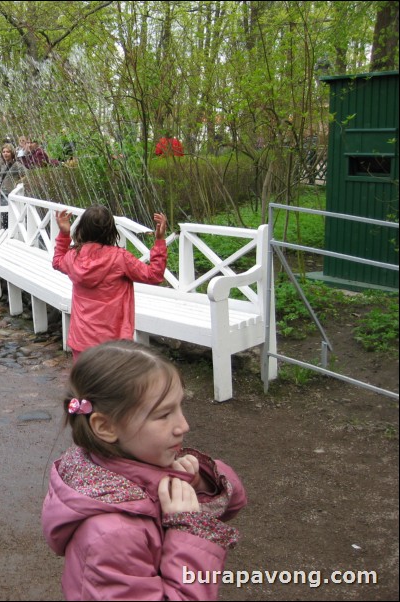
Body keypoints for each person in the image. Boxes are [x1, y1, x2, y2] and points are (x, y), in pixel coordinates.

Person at [41, 340, 248, 600]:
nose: (183, 425)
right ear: (106, 427)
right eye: (164, 415)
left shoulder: (131, 464)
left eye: (180, 407)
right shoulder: (113, 534)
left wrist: (199, 483)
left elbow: (235, 501)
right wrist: (188, 531)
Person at [53, 206, 168, 362]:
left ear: (82, 229)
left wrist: (64, 234)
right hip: (115, 343)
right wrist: (160, 241)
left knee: (84, 384)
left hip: (81, 341)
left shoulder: (73, 257)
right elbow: (154, 275)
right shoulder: (120, 258)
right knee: (112, 385)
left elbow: (57, 261)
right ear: (111, 231)